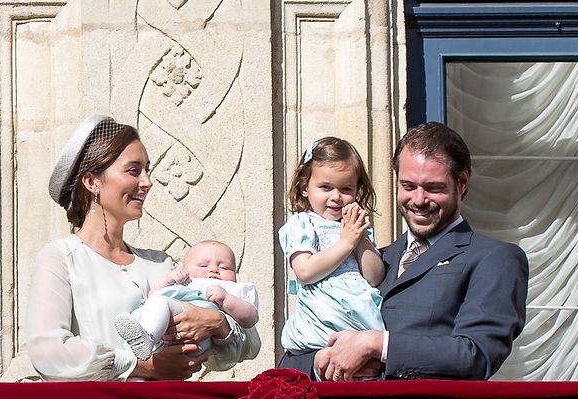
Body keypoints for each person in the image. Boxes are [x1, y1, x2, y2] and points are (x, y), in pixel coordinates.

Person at [27, 115, 259, 381]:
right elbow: (48, 353)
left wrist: (216, 323)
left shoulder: (162, 265)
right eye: (134, 170)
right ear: (92, 182)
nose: (147, 182)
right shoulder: (61, 259)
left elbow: (249, 344)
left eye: (147, 170)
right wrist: (139, 364)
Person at [298, 122, 528, 380]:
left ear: (462, 183)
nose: (418, 200)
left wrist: (378, 345)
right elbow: (290, 361)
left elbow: (476, 356)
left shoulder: (495, 259)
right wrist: (321, 361)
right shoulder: (368, 260)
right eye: (408, 186)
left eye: (433, 187)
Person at [276, 137, 386, 358]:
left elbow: (374, 277)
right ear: (304, 187)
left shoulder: (355, 229)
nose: (336, 197)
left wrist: (360, 238)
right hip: (322, 314)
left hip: (360, 316)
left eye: (346, 189)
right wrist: (346, 243)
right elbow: (305, 271)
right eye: (325, 187)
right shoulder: (303, 223)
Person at [114, 240, 259, 360]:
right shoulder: (185, 281)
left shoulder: (234, 289)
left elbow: (250, 318)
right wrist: (168, 280)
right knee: (151, 305)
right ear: (186, 269)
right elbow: (152, 295)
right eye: (203, 265)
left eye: (225, 267)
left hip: (197, 338)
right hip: (163, 337)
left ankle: (148, 338)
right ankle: (137, 356)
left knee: (160, 302)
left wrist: (227, 299)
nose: (214, 270)